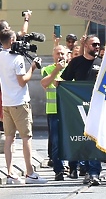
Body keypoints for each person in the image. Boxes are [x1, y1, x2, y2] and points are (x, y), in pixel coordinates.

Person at [0, 29, 47, 185]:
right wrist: (33, 67)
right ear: (11, 40)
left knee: (9, 138)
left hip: (7, 103)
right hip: (20, 103)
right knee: (26, 138)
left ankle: (10, 174)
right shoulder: (17, 59)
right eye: (16, 39)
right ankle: (30, 173)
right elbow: (22, 81)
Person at [61, 34, 106, 185]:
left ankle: (95, 172)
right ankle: (88, 170)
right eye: (94, 44)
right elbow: (66, 82)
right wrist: (60, 85)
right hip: (81, 109)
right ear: (85, 45)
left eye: (98, 44)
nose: (97, 47)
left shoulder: (102, 63)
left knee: (95, 139)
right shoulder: (76, 62)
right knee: (86, 141)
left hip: (99, 107)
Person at [0, 13, 29, 131]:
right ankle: (10, 122)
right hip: (14, 74)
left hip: (1, 77)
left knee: (3, 99)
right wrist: (26, 18)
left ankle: (2, 122)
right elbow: (23, 32)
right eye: (9, 27)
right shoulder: (10, 40)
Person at [40, 44, 68, 181]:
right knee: (56, 142)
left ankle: (74, 167)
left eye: (62, 54)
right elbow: (44, 83)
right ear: (53, 55)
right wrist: (56, 71)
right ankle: (59, 170)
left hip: (69, 112)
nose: (60, 56)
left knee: (70, 140)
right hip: (54, 111)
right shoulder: (48, 69)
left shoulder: (71, 70)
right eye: (58, 53)